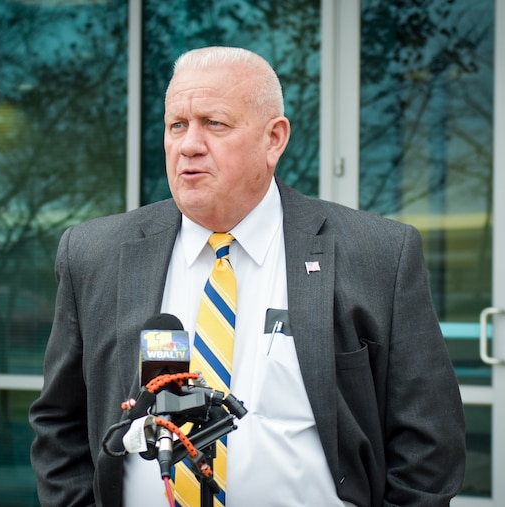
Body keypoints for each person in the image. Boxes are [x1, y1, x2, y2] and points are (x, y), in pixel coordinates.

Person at [29, 46, 466, 507]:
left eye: (214, 123)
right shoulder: (94, 254)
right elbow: (60, 425)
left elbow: (428, 442)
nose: (189, 144)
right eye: (177, 125)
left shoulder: (377, 254)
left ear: (273, 139)